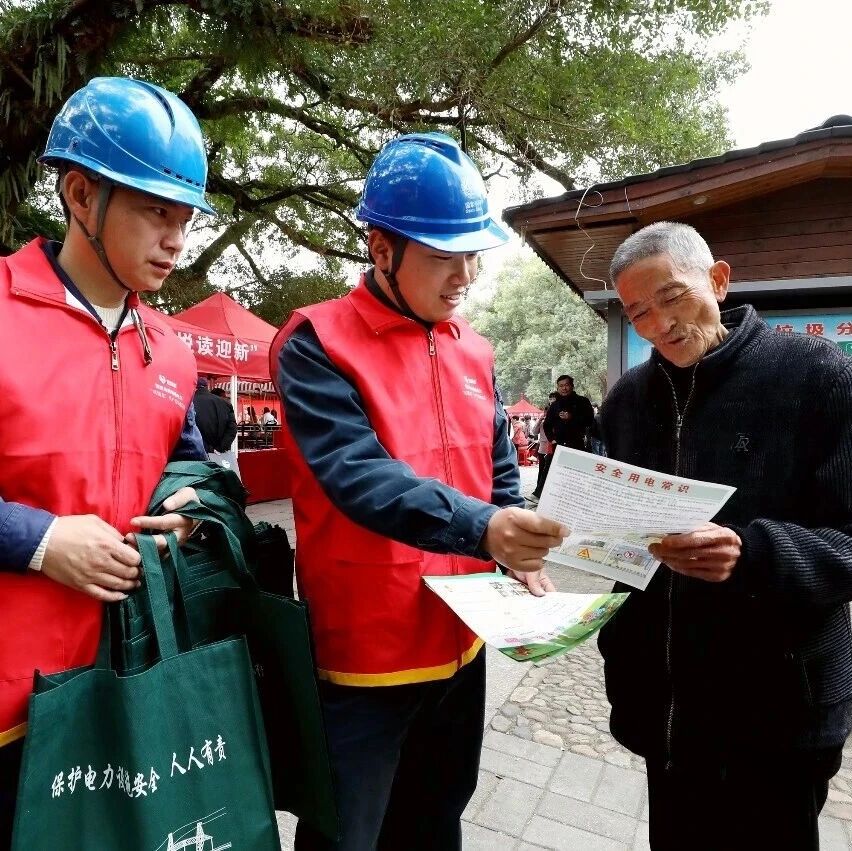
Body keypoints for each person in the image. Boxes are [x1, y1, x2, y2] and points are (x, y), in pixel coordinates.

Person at [272, 132, 567, 851]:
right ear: (381, 248)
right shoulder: (316, 341)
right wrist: (484, 529)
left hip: (463, 643)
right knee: (348, 832)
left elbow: (500, 468)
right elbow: (358, 474)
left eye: (473, 253)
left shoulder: (474, 348)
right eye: (443, 254)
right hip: (364, 656)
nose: (464, 274)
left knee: (437, 822)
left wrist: (517, 536)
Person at [0, 76, 216, 846]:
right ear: (81, 194)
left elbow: (189, 468)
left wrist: (192, 510)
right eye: (156, 211)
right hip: (8, 711)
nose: (176, 239)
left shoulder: (176, 350)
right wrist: (40, 539)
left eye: (185, 217)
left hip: (125, 690)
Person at [597, 221, 852, 851]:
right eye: (638, 313)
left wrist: (754, 553)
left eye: (673, 297)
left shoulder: (817, 376)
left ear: (718, 279)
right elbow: (615, 540)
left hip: (780, 716)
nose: (660, 325)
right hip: (667, 714)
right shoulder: (627, 401)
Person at [542, 374, 594, 451]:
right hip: (558, 445)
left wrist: (571, 417)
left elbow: (589, 421)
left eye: (566, 385)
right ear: (558, 388)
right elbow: (547, 425)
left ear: (572, 386)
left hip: (577, 444)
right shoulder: (554, 405)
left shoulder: (583, 401)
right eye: (561, 386)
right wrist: (552, 440)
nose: (564, 388)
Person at [193, 376, 238, 455]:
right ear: (207, 387)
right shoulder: (226, 404)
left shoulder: (189, 403)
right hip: (220, 455)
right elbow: (232, 429)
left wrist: (209, 449)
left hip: (196, 453)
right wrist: (220, 448)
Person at [529, 392, 558, 501]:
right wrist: (540, 421)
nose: (547, 413)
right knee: (542, 470)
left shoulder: (556, 420)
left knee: (550, 471)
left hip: (553, 448)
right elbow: (534, 432)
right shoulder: (542, 421)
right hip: (542, 449)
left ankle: (545, 492)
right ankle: (538, 489)